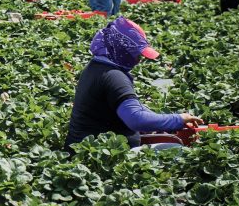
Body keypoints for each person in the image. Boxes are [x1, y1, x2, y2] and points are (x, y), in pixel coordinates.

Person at [64, 17, 202, 150]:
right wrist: (177, 119)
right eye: (135, 53)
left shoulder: (96, 67)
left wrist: (169, 124)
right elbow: (136, 118)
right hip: (101, 156)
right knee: (177, 149)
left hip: (83, 149)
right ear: (121, 48)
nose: (138, 59)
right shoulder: (115, 77)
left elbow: (136, 109)